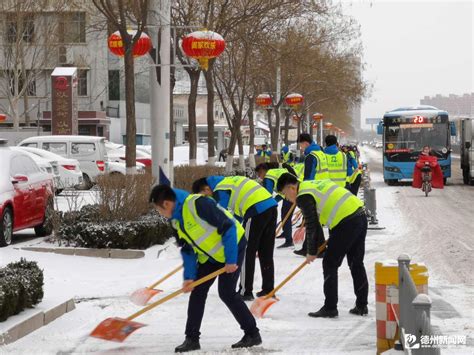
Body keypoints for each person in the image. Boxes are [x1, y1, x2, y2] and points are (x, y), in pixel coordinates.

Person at [149, 185, 262, 352]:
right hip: (210, 256)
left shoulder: (198, 204)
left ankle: (252, 334)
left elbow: (228, 227)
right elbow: (187, 249)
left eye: (158, 210)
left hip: (233, 246)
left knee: (227, 292)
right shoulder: (175, 220)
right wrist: (189, 277)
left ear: (166, 204)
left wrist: (231, 260)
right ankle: (192, 338)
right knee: (198, 291)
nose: (160, 214)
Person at [277, 173, 369, 318]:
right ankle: (362, 305)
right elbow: (327, 208)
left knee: (330, 264)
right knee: (356, 263)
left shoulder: (303, 196)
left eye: (285, 194)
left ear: (291, 188)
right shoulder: (312, 185)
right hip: (359, 214)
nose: (287, 198)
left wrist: (311, 251)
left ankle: (330, 307)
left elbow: (312, 224)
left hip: (346, 222)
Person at [192, 176, 277, 301]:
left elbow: (221, 216)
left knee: (246, 251)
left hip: (255, 210)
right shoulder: (228, 182)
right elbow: (235, 218)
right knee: (266, 252)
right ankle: (268, 289)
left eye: (204, 196)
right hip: (271, 206)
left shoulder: (220, 190)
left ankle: (245, 291)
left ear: (206, 189)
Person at [256, 162, 298, 248]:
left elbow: (267, 194)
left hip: (292, 191)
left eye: (259, 174)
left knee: (286, 215)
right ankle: (286, 233)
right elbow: (280, 194)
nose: (259, 177)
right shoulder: (275, 172)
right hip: (294, 189)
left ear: (263, 170)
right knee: (286, 214)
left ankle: (289, 240)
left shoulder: (268, 176)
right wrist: (274, 201)